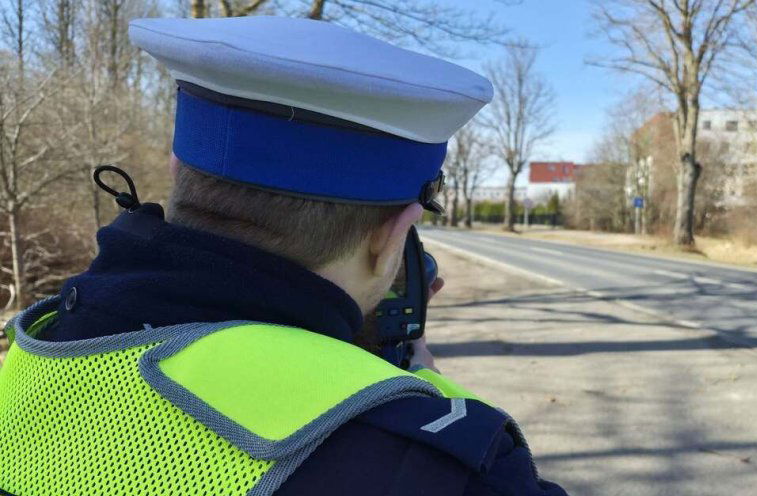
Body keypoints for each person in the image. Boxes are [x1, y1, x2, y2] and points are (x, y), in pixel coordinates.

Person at [0, 15, 568, 496]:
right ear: (391, 236)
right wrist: (424, 387)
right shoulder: (436, 463)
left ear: (177, 174)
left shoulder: (38, 348)